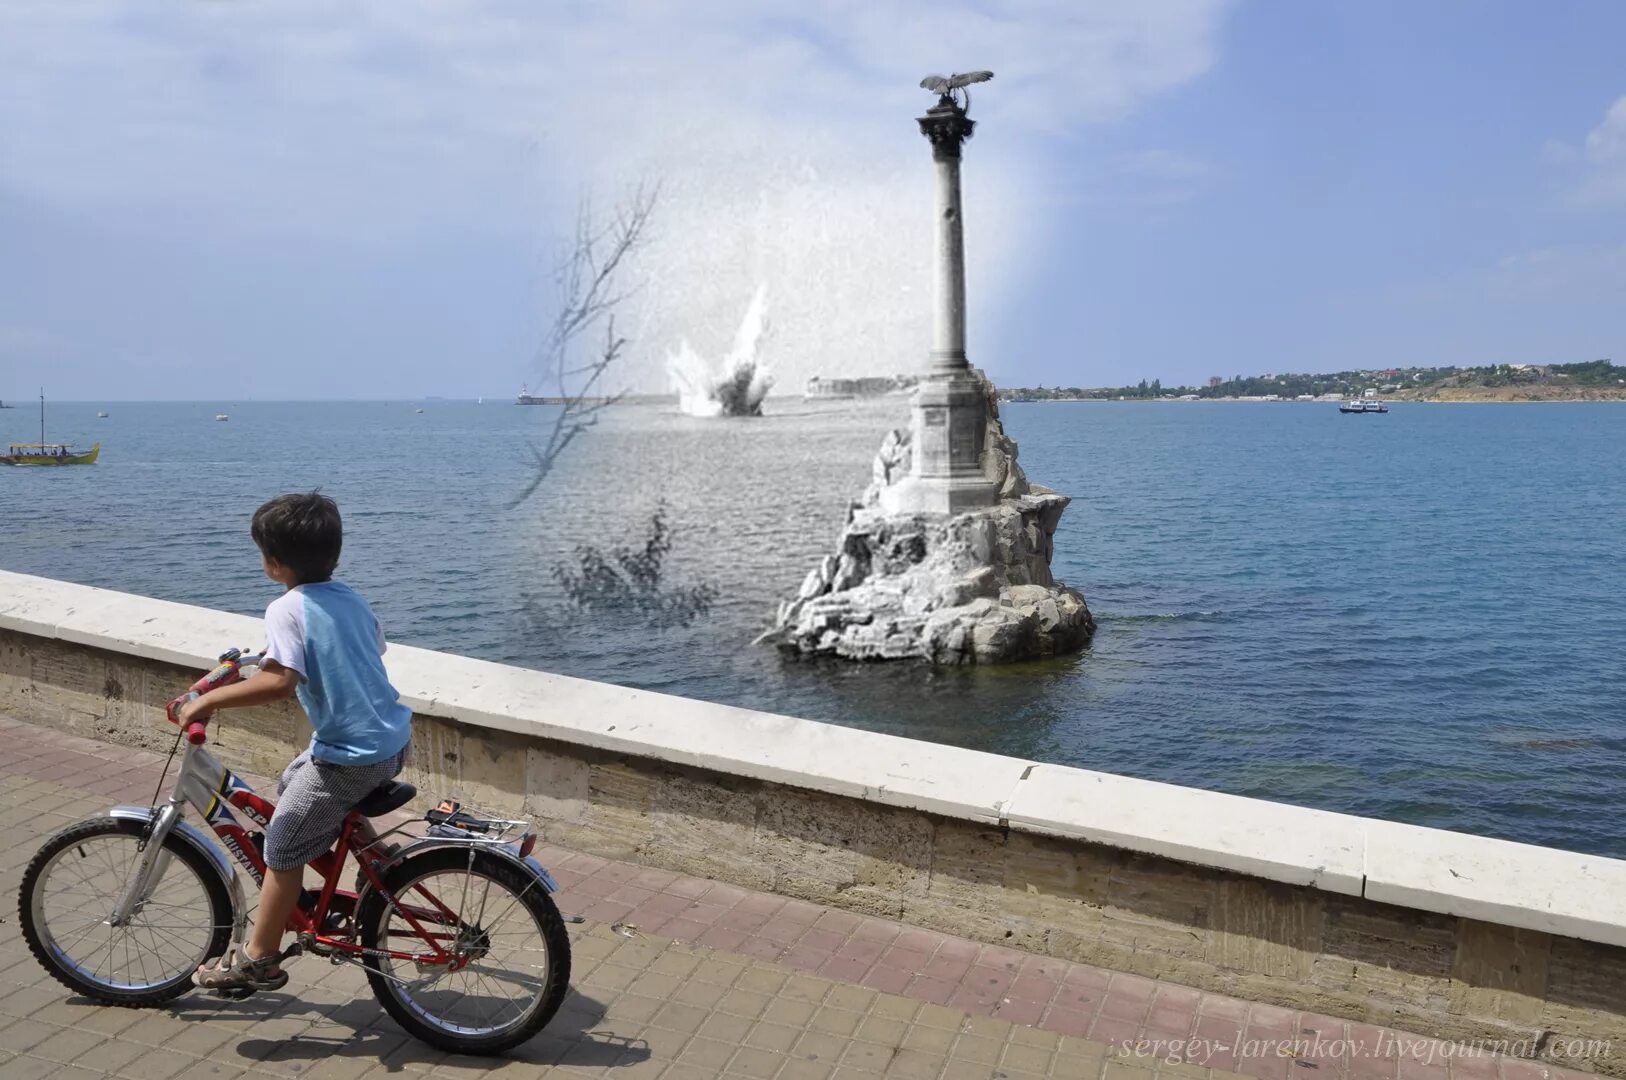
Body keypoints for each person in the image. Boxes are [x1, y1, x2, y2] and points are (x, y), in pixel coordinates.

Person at [178, 491, 412, 992]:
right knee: (291, 779)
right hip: (390, 738)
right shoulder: (348, 597)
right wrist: (277, 655)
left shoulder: (285, 608)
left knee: (281, 847)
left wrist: (207, 703)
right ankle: (377, 861)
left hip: (350, 755)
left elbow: (280, 683)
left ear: (273, 561)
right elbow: (363, 646)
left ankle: (259, 957)